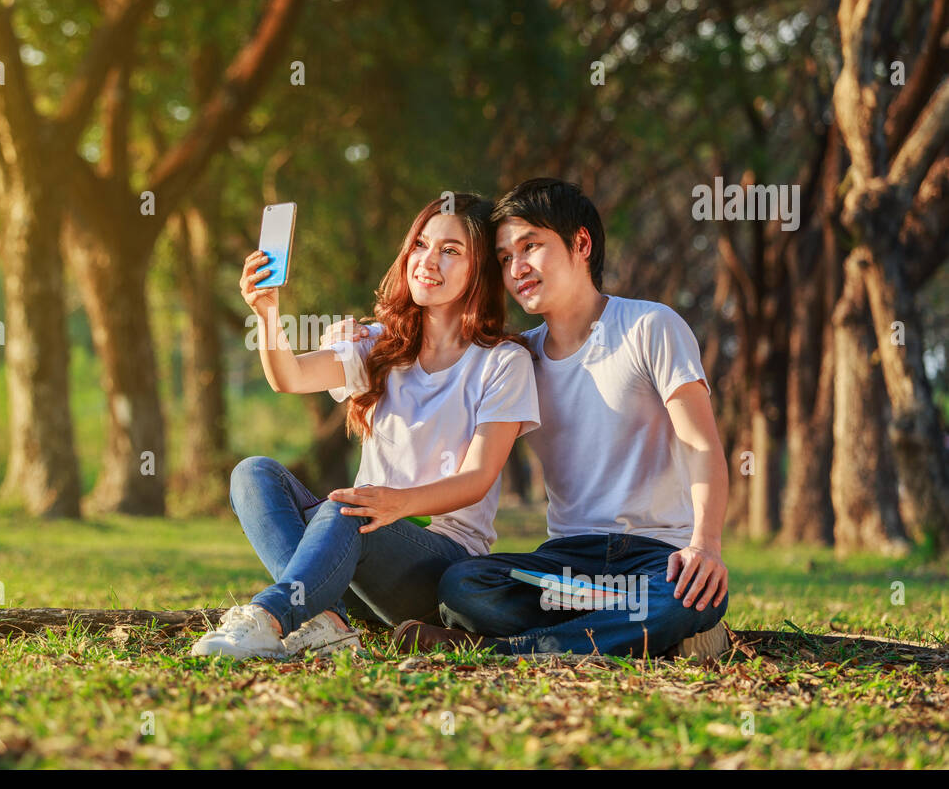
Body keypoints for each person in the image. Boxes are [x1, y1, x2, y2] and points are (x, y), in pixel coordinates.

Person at [339, 179, 731, 659]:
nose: (516, 267)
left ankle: (506, 650)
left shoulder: (650, 326)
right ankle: (624, 630)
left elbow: (701, 445)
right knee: (464, 585)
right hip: (564, 567)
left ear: (581, 244)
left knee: (685, 597)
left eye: (531, 247)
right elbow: (437, 376)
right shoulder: (517, 358)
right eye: (504, 258)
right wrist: (374, 337)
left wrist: (705, 546)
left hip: (656, 556)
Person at [191, 193, 541, 660]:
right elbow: (289, 377)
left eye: (451, 251)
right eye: (419, 245)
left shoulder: (503, 362)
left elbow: (476, 480)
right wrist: (267, 311)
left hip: (438, 564)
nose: (427, 261)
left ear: (480, 270)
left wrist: (397, 504)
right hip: (353, 552)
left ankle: (267, 617)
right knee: (252, 474)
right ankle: (328, 621)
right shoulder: (379, 345)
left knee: (347, 510)